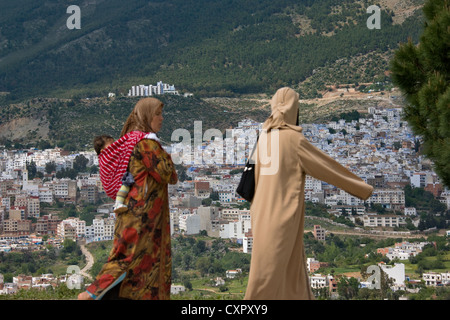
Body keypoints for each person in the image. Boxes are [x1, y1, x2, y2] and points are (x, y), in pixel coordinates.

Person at [244, 87, 373, 300]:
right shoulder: (293, 141)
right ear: (294, 109)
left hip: (260, 214)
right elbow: (327, 168)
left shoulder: (264, 137)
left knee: (290, 272)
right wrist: (362, 189)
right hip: (283, 216)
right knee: (267, 278)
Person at [78, 97, 178, 300]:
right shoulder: (147, 144)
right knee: (129, 258)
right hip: (144, 217)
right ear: (147, 116)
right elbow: (169, 175)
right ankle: (90, 295)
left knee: (143, 262)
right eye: (157, 114)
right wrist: (167, 155)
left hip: (135, 213)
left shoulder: (133, 141)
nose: (161, 118)